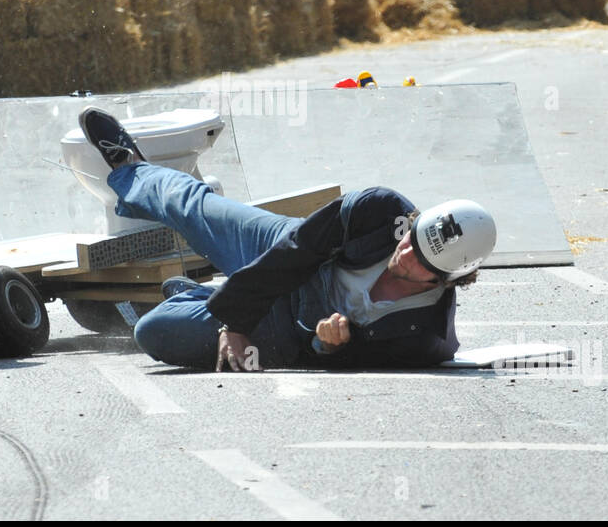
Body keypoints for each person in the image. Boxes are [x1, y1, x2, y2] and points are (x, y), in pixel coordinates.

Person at [77, 108, 497, 371]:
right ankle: (130, 168)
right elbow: (299, 249)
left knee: (154, 332)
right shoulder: (380, 209)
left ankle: (194, 296)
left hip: (288, 330)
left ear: (447, 280)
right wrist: (235, 322)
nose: (404, 251)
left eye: (420, 260)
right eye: (413, 238)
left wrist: (329, 346)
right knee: (194, 206)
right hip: (287, 256)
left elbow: (348, 362)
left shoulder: (424, 338)